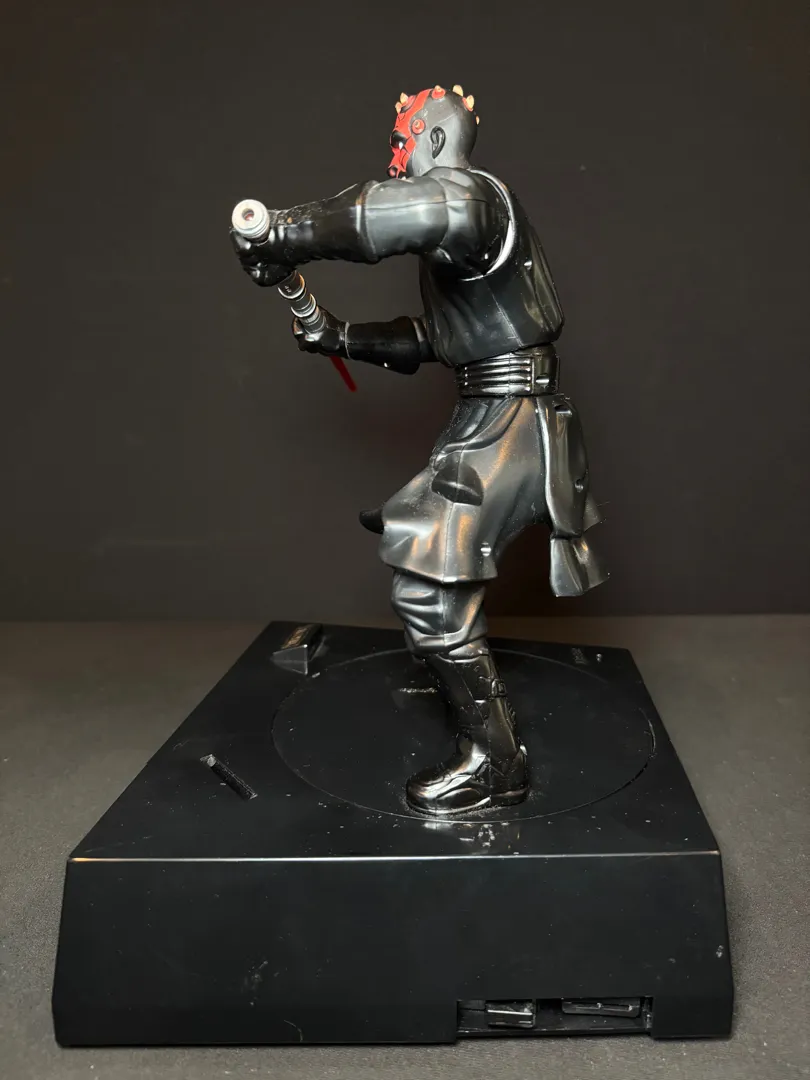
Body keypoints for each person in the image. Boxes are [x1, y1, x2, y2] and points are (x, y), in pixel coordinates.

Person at [231, 84, 607, 815]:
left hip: (511, 422)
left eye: (402, 142)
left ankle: (497, 764)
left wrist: (282, 233)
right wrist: (340, 337)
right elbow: (439, 337)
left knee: (426, 588)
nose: (394, 158)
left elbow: (383, 215)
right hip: (491, 414)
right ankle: (461, 691)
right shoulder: (464, 238)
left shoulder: (471, 199)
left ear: (435, 139)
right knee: (426, 574)